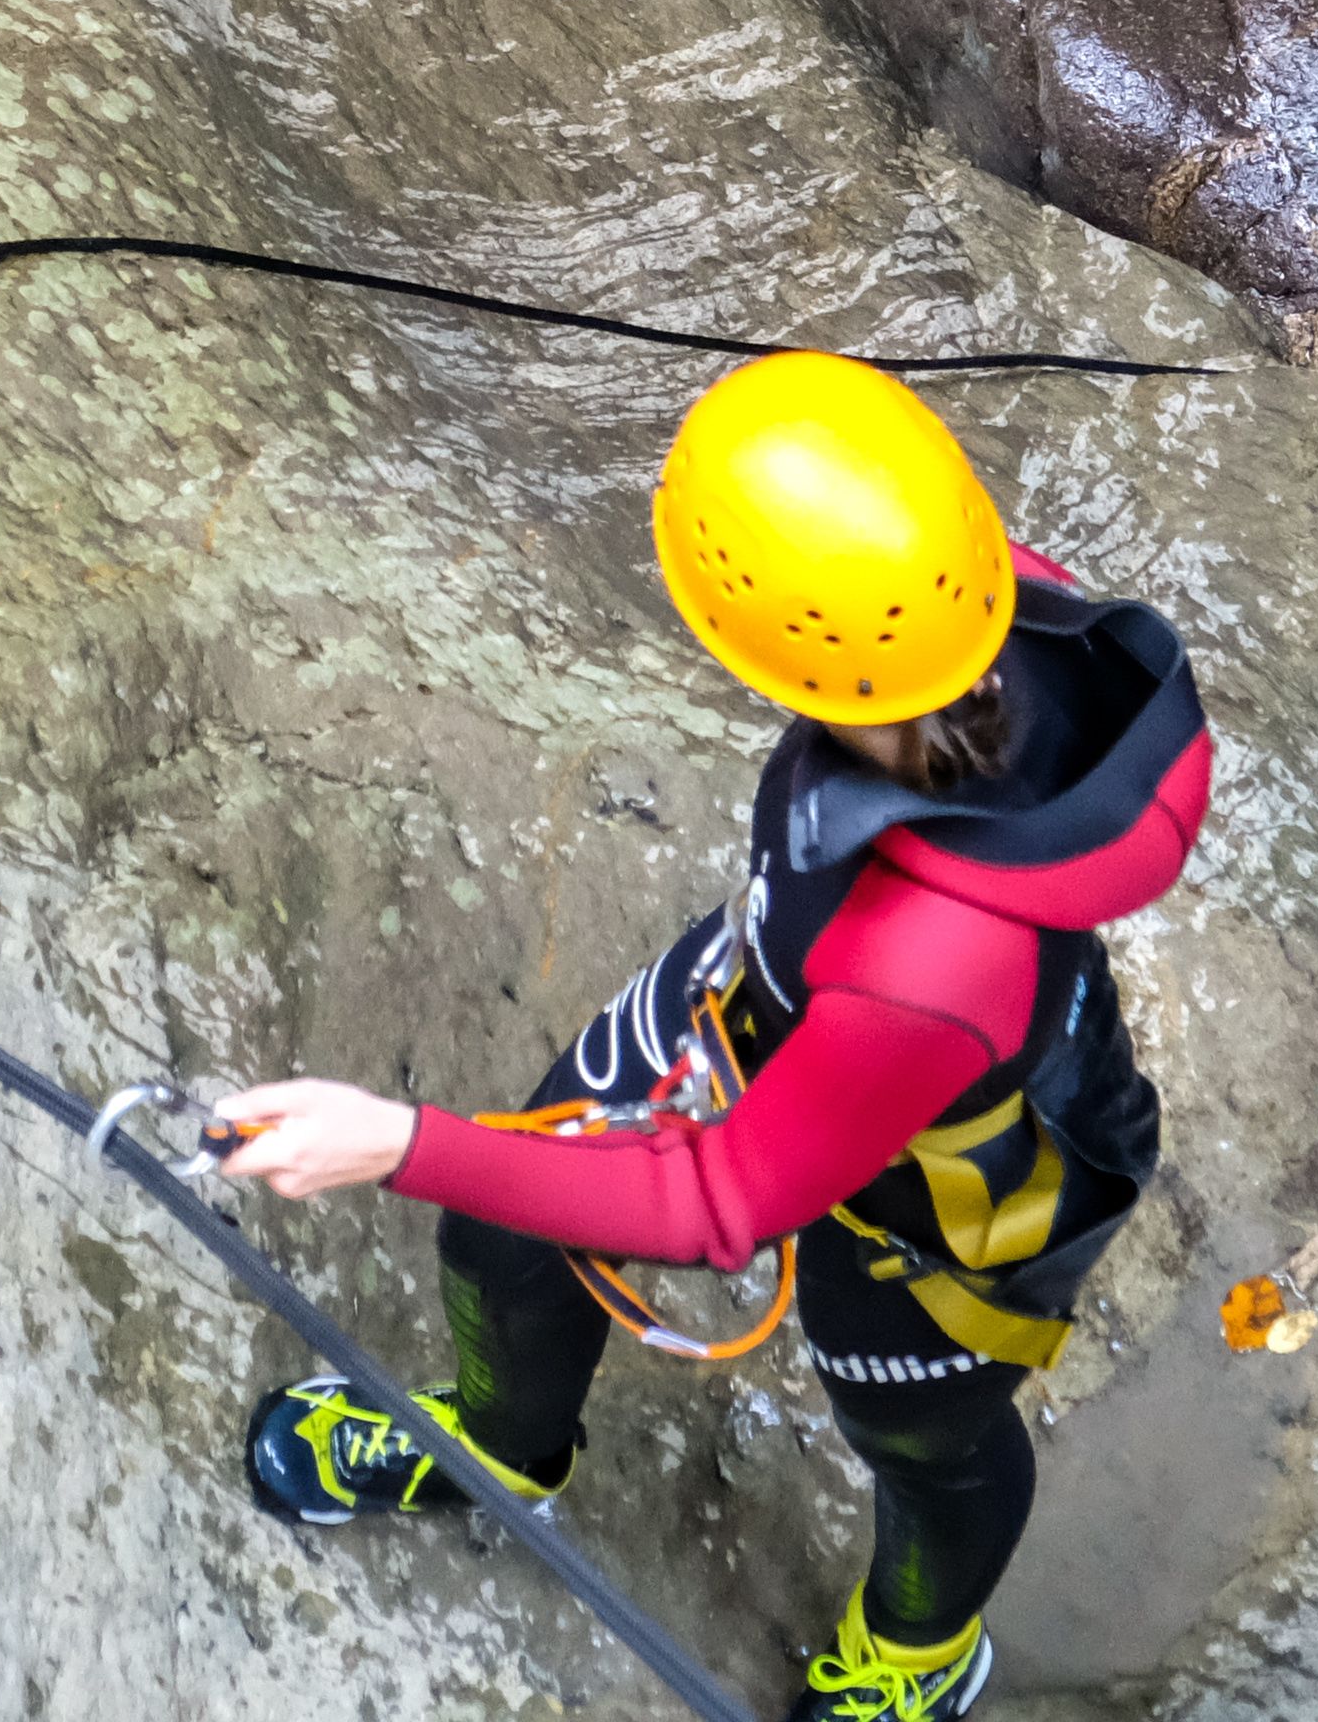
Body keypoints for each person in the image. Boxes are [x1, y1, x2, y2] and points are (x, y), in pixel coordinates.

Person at [207, 355, 1212, 1722]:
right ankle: (500, 1447)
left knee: (922, 1431)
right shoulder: (971, 611)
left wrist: (400, 1143)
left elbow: (720, 1200)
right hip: (773, 997)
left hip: (947, 1196)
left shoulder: (929, 963)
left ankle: (918, 1653)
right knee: (504, 1241)